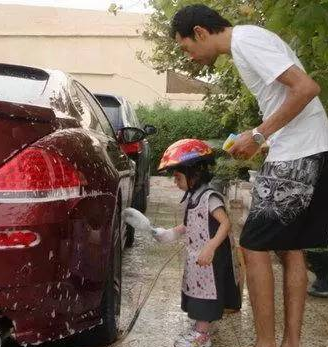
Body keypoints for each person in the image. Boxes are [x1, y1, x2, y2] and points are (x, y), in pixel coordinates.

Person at [170, 4, 328, 347]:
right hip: (304, 148)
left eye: (187, 48)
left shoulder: (245, 41)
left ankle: (265, 343)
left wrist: (258, 135)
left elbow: (306, 88)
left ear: (200, 32)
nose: (190, 57)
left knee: (253, 245)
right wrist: (261, 136)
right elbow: (290, 95)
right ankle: (290, 342)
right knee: (291, 247)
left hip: (297, 153)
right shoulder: (249, 42)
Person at [125, 139, 241, 347]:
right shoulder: (192, 197)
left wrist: (211, 247)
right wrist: (167, 233)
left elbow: (226, 224)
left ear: (194, 174)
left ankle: (201, 336)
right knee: (197, 292)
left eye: (178, 177)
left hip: (209, 258)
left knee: (206, 294)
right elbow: (190, 225)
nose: (175, 182)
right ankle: (202, 326)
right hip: (196, 256)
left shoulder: (210, 197)